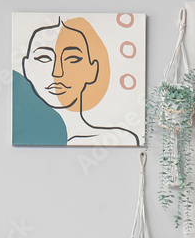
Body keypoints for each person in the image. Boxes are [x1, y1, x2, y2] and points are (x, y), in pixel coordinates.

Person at [20, 18, 139, 146]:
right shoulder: (26, 137)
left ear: (92, 70)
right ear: (26, 68)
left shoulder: (121, 138)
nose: (57, 72)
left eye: (72, 59)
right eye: (44, 58)